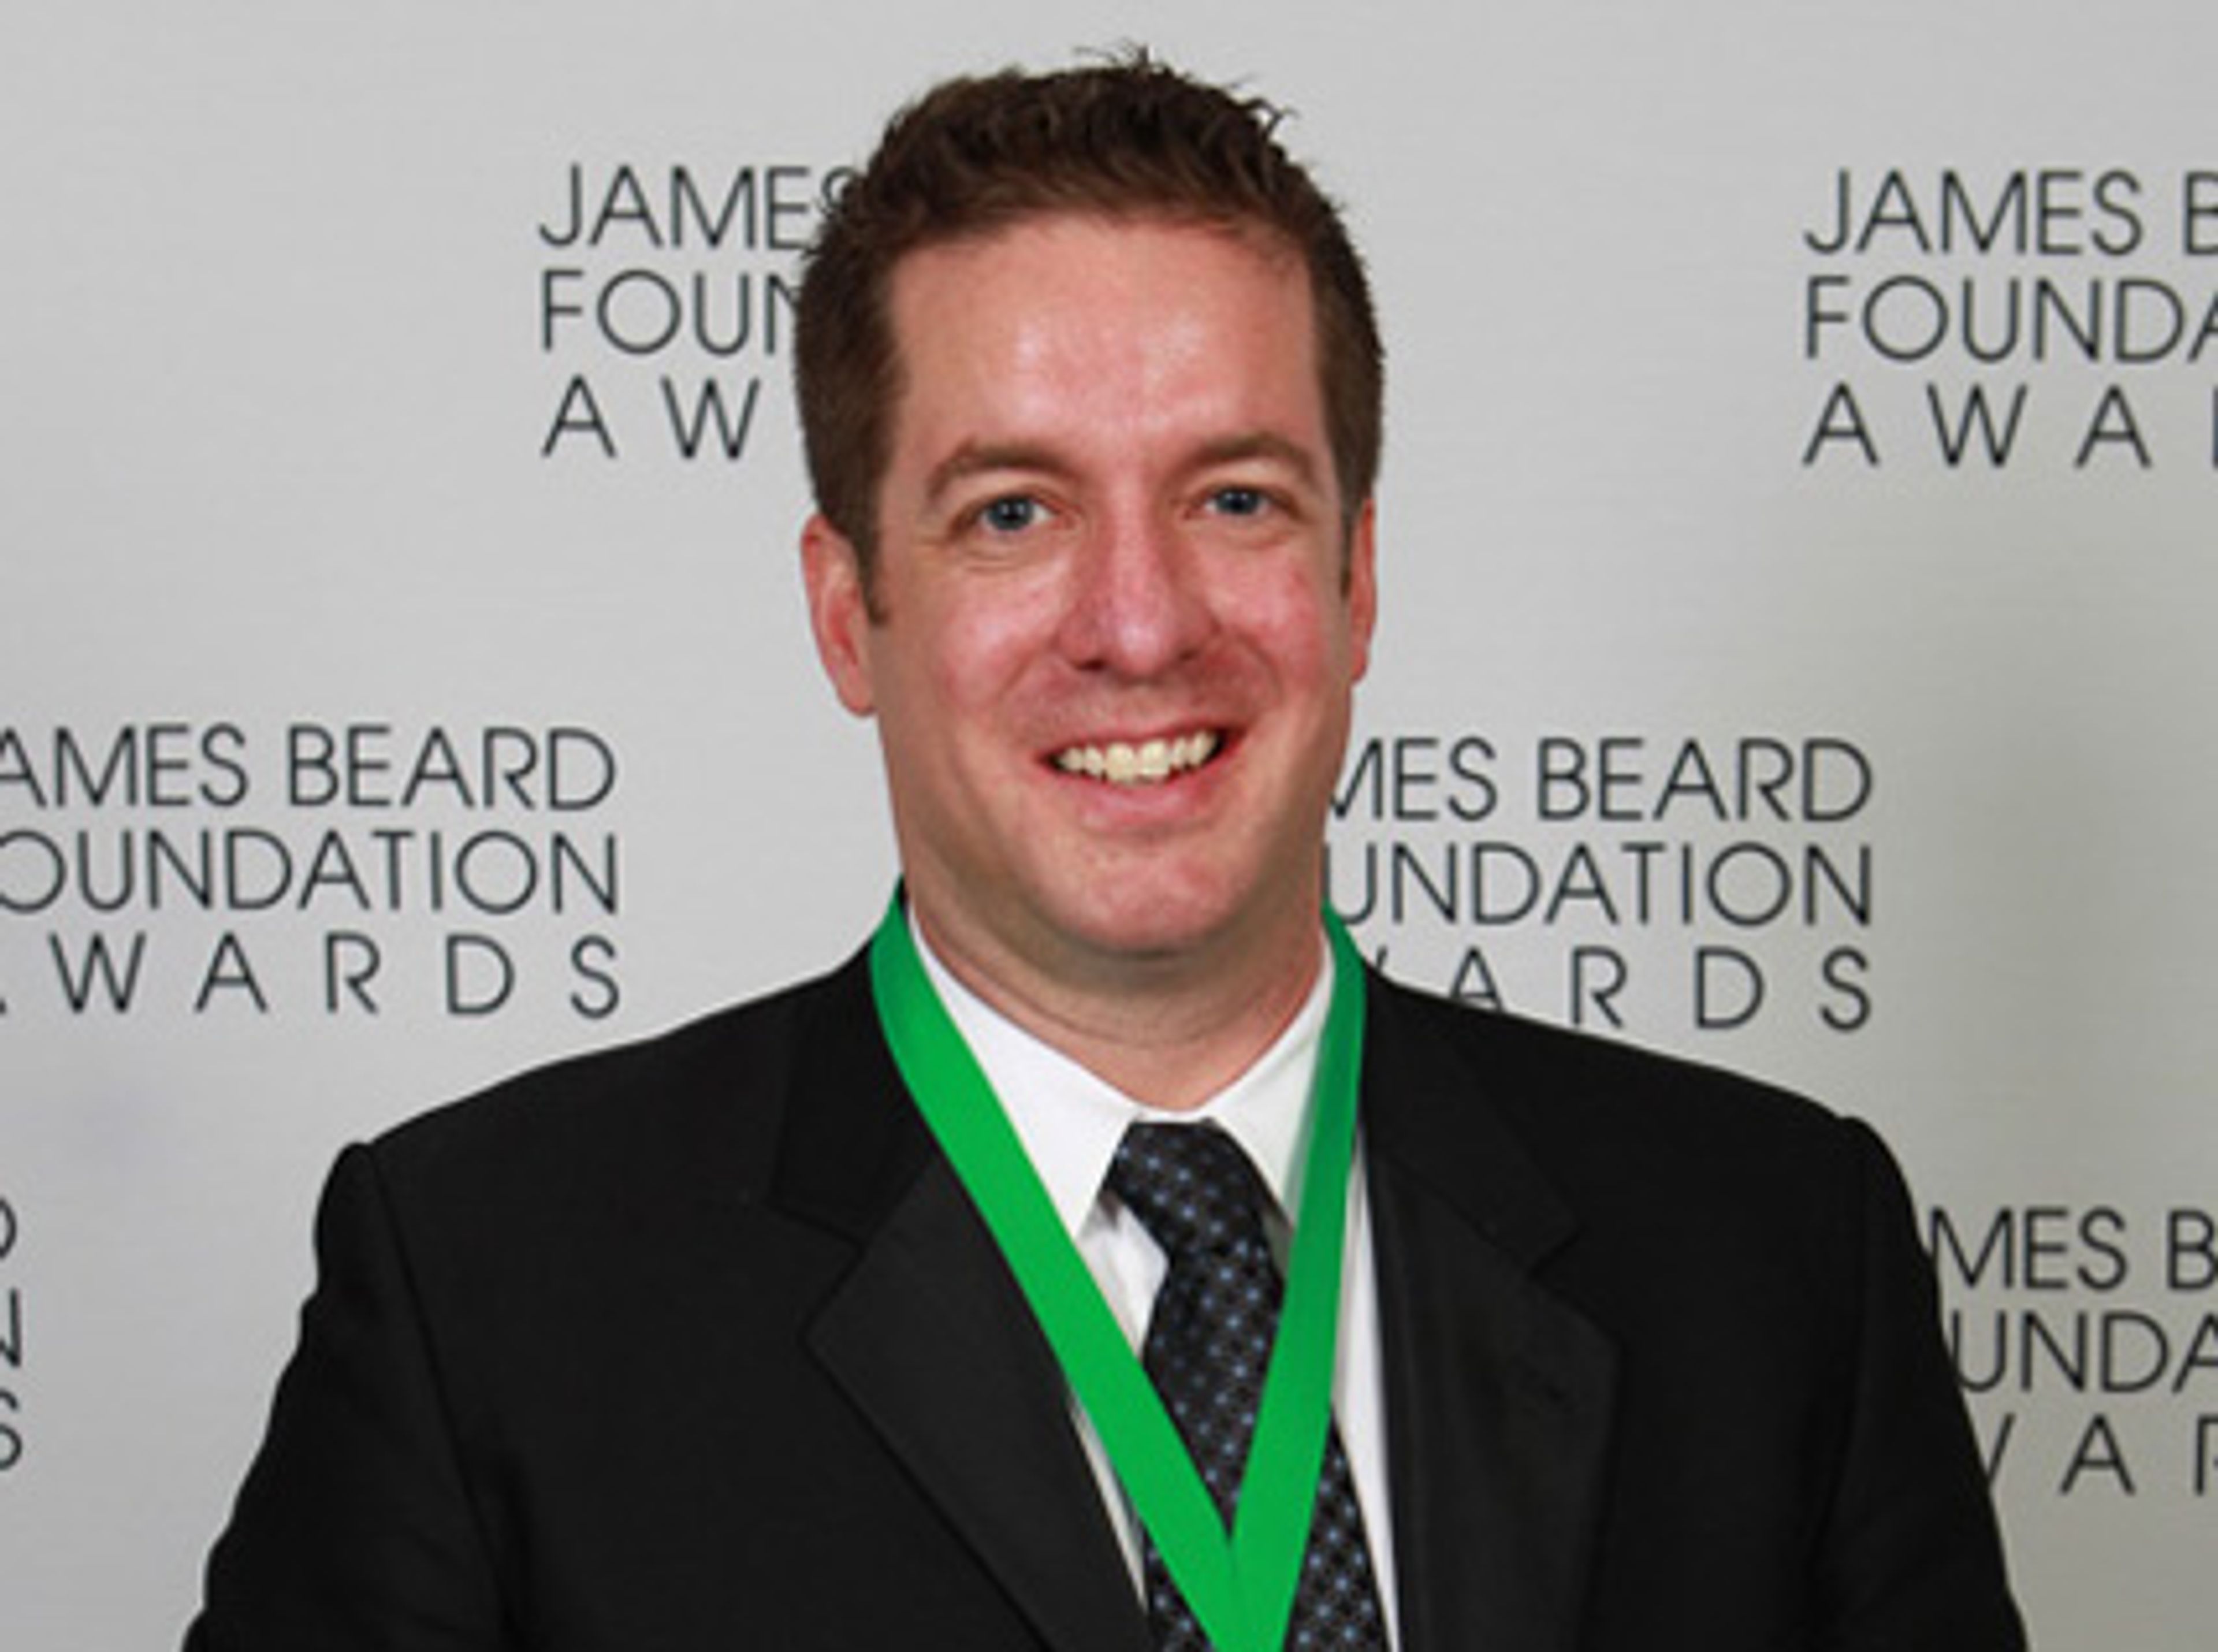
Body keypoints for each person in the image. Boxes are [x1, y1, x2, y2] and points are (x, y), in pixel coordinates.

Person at [187, 55, 2025, 1651]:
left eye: (1235, 497)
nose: (1139, 623)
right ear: (847, 609)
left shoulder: (1776, 1257)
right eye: (1013, 511)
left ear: (1356, 578)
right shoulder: (493, 1294)